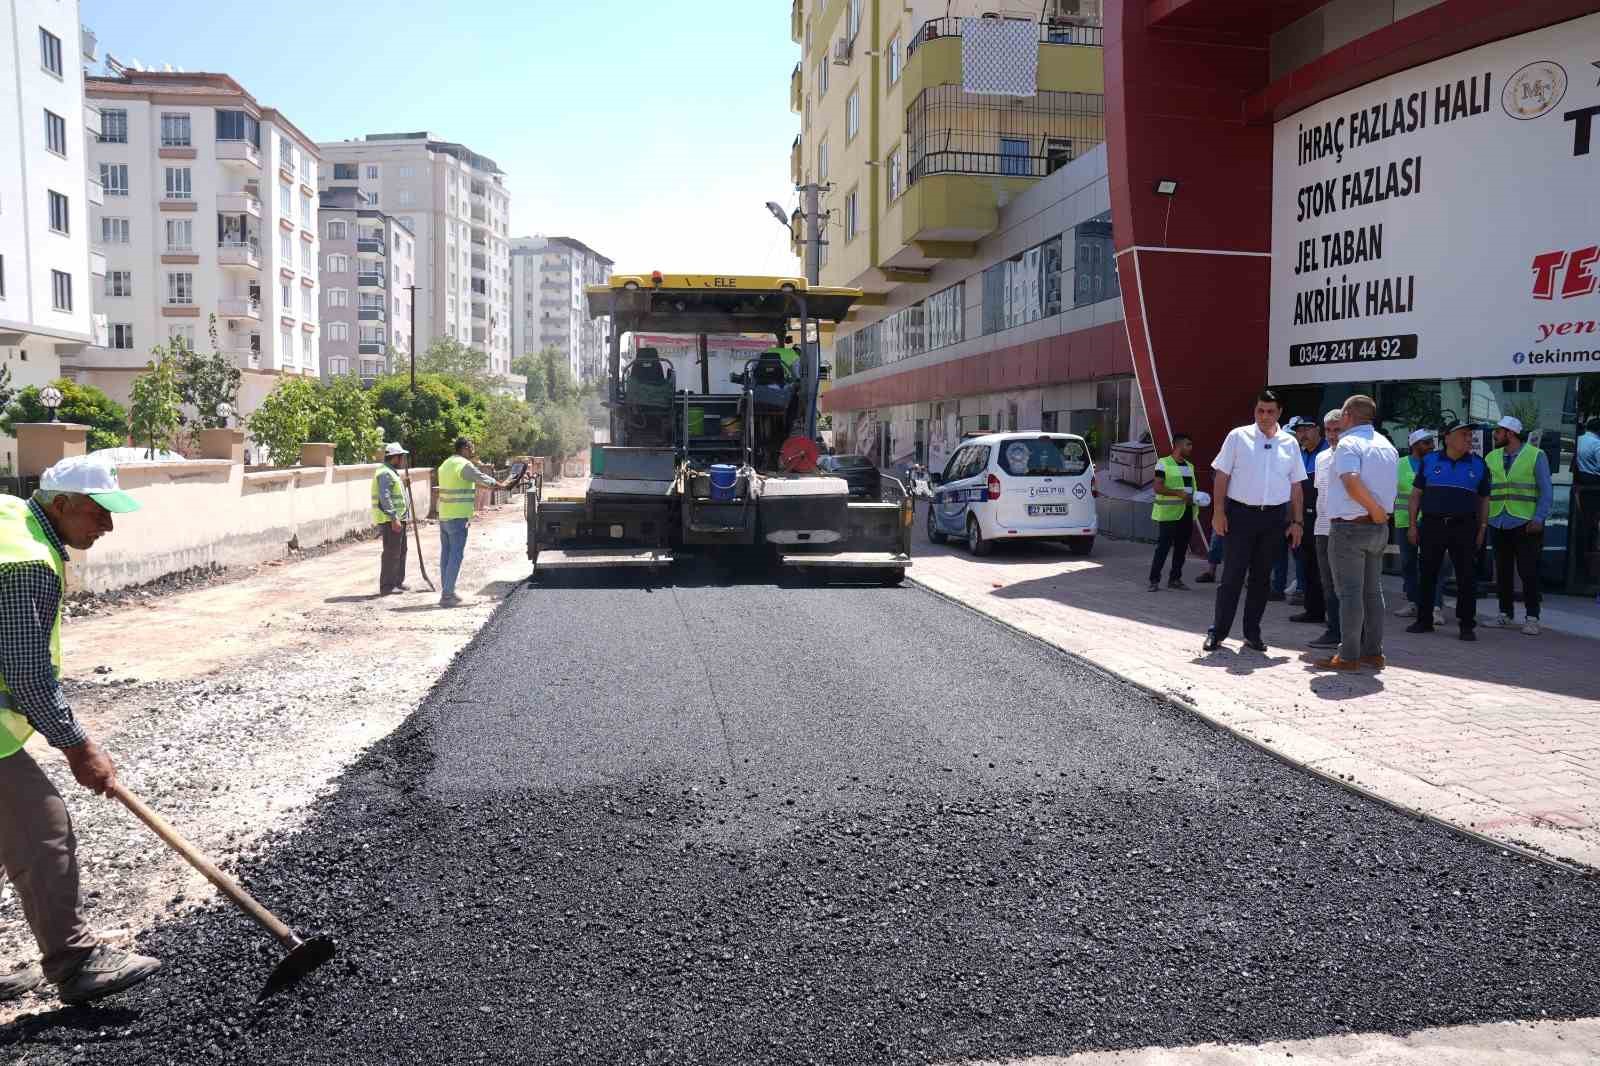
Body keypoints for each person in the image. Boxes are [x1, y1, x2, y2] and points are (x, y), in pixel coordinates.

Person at [0, 456, 161, 1004]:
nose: (107, 526)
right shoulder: (27, 560)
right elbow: (25, 671)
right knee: (43, 830)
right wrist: (77, 747)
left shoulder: (8, 517)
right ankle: (76, 963)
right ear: (63, 504)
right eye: (98, 513)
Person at [1203, 390, 1306, 653]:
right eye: (1260, 410)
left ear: (1280, 412)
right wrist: (1218, 512)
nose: (1264, 416)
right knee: (1232, 577)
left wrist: (1297, 522)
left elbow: (1296, 487)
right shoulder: (1238, 437)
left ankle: (1252, 633)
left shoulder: (1290, 443)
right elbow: (1222, 476)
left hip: (1273, 519)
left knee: (1261, 580)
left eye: (1270, 411)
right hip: (1240, 516)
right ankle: (1218, 632)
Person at [1317, 394, 1400, 671]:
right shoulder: (1386, 444)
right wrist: (1378, 513)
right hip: (1377, 528)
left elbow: (1351, 481)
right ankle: (1373, 652)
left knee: (1350, 594)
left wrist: (1374, 509)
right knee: (1372, 593)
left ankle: (1349, 655)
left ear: (1349, 415)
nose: (1339, 419)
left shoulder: (1348, 443)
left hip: (1350, 527)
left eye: (1342, 414)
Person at [1405, 419, 1489, 642]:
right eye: (1464, 434)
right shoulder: (1430, 461)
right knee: (1428, 573)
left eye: (1470, 435)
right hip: (1432, 524)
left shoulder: (1479, 464)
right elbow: (1415, 496)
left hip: (1465, 526)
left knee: (1466, 577)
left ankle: (1466, 625)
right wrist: (1413, 525)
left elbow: (1484, 500)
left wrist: (1482, 528)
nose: (1469, 439)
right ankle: (1424, 620)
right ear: (1448, 437)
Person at [1486, 415, 1553, 635]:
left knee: (1528, 571)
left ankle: (1532, 617)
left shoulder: (1535, 455)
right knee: (1503, 572)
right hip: (1498, 521)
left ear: (1510, 434)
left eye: (1498, 431)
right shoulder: (1492, 457)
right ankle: (1505, 614)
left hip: (1525, 523)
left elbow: (1546, 490)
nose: (1495, 435)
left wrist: (1539, 518)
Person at [436, 437, 514, 608]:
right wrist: (499, 485)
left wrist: (493, 487)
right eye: (471, 448)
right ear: (464, 448)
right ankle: (447, 595)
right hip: (458, 517)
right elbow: (479, 477)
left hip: (444, 516)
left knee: (446, 556)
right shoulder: (463, 465)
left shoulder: (446, 464)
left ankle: (447, 590)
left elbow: (468, 484)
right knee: (455, 556)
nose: (472, 451)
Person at [1393, 428, 1444, 625]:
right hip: (1405, 521)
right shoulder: (1400, 464)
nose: (1431, 446)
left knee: (1433, 565)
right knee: (1408, 563)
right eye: (1426, 443)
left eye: (1432, 442)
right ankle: (1414, 601)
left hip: (1432, 521)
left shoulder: (1438, 464)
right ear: (1414, 445)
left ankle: (1435, 606)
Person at [1308, 409, 1346, 651]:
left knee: (1347, 584)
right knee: (1328, 583)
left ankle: (1353, 632)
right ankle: (1333, 630)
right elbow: (1320, 494)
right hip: (1322, 528)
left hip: (1345, 528)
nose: (1332, 435)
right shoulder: (1321, 458)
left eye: (1337, 430)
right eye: (1329, 430)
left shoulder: (1352, 456)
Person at [1287, 416, 1328, 623]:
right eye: (1299, 431)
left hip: (1325, 517)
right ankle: (1314, 610)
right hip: (1303, 517)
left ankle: (1332, 614)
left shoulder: (1329, 452)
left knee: (1325, 568)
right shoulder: (1299, 455)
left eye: (1306, 429)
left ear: (1318, 430)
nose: (1302, 434)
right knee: (1308, 564)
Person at [1148, 432, 1196, 591]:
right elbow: (1158, 487)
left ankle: (1175, 579)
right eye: (1188, 444)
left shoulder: (1190, 466)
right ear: (1178, 446)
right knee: (1163, 548)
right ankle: (1154, 581)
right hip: (1168, 514)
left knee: (1181, 549)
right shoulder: (1163, 463)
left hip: (1186, 513)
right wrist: (1178, 493)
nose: (1191, 448)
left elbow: (1191, 489)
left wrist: (1198, 498)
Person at [373, 442, 411, 596]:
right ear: (394, 457)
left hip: (398, 519)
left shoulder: (392, 472)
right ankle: (387, 586)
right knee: (391, 553)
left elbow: (394, 493)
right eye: (401, 457)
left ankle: (397, 581)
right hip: (390, 520)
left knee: (401, 551)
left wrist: (404, 484)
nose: (402, 460)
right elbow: (385, 496)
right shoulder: (384, 473)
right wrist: (393, 517)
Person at [1575, 416, 1600, 595]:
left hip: (1582, 485)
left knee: (1585, 523)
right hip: (1594, 486)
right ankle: (1589, 563)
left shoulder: (1580, 440)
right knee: (1591, 526)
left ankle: (1582, 560)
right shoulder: (1597, 444)